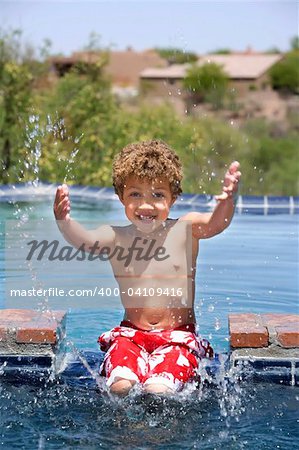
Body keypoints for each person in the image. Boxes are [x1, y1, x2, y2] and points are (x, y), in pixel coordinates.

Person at [54, 140, 241, 396]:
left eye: (157, 195)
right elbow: (84, 240)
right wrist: (64, 222)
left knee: (158, 389)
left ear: (173, 198)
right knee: (119, 386)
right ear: (121, 196)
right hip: (131, 336)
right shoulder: (115, 237)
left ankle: (160, 433)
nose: (146, 205)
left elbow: (216, 223)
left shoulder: (185, 229)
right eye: (135, 194)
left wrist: (228, 200)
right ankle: (124, 433)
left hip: (177, 338)